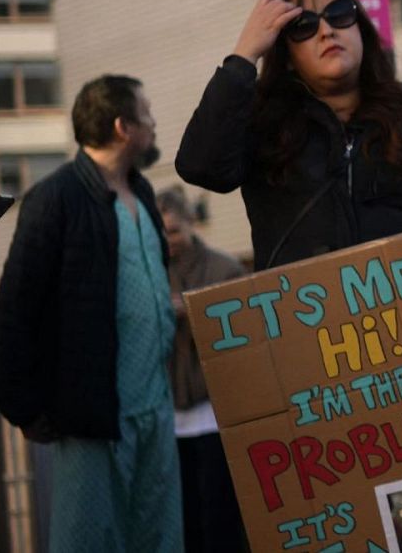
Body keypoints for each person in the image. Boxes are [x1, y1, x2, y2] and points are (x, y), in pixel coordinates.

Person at [176, 0, 402, 272]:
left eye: (339, 13)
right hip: (305, 321)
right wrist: (244, 55)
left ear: (361, 28)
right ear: (285, 56)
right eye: (304, 26)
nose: (327, 31)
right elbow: (200, 167)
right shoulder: (264, 125)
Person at [0, 75, 181, 552]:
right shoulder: (55, 199)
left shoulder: (143, 196)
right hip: (93, 417)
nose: (154, 123)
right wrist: (24, 407)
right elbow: (16, 310)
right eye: (147, 112)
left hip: (155, 412)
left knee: (160, 539)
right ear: (123, 126)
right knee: (90, 542)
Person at [156, 185, 248, 553]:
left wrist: (195, 312)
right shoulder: (149, 274)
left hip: (215, 413)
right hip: (170, 417)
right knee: (185, 519)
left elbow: (242, 337)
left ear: (192, 223)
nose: (168, 240)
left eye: (174, 230)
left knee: (221, 516)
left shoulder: (224, 268)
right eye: (160, 232)